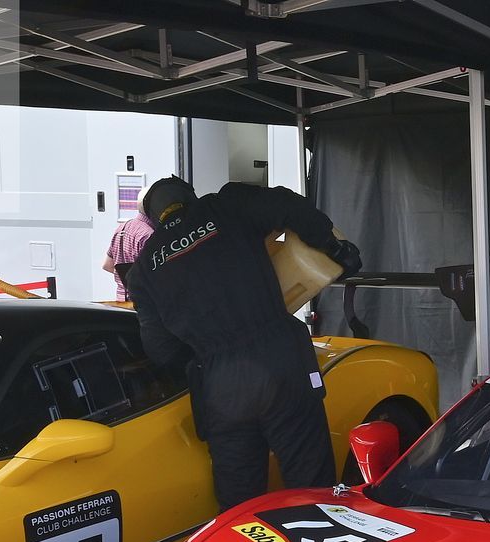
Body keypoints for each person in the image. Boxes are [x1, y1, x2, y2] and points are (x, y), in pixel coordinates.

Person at [125, 175, 362, 511]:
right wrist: (332, 246)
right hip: (280, 361)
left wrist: (205, 349)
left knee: (238, 500)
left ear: (153, 218)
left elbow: (161, 351)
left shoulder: (143, 271)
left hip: (220, 386)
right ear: (191, 196)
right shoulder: (226, 206)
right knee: (309, 483)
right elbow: (289, 204)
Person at [102, 201, 156, 303]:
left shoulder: (121, 228)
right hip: (142, 305)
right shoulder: (149, 235)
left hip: (121, 301)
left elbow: (107, 265)